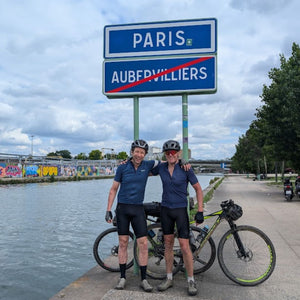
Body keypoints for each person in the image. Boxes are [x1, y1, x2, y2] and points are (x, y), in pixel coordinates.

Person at [151, 140, 204, 296]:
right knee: (168, 244)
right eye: (168, 153)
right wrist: (127, 163)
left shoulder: (185, 168)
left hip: (180, 210)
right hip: (166, 210)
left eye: (173, 153)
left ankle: (191, 280)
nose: (171, 155)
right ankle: (169, 278)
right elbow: (141, 170)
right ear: (165, 155)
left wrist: (200, 210)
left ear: (179, 153)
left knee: (184, 246)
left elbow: (199, 190)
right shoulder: (161, 167)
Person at [105, 139, 158, 292]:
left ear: (145, 154)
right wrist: (108, 209)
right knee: (122, 243)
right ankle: (122, 278)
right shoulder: (122, 167)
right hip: (122, 209)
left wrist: (182, 162)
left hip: (137, 210)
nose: (139, 154)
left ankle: (144, 279)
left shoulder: (147, 165)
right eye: (136, 151)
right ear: (132, 152)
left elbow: (166, 163)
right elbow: (114, 189)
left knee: (143, 244)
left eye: (142, 152)